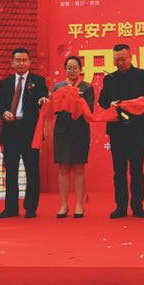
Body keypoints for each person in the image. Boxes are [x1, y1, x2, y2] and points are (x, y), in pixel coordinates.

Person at [98, 43, 144, 218]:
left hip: (137, 129)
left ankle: (137, 206)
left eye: (123, 59)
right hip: (117, 130)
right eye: (117, 60)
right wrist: (110, 104)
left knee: (137, 170)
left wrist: (136, 103)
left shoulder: (142, 75)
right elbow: (102, 101)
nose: (120, 63)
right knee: (119, 171)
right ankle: (120, 206)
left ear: (131, 57)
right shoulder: (109, 78)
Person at [0, 48, 48, 219]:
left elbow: (43, 100)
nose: (21, 63)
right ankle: (10, 208)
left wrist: (42, 101)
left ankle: (30, 207)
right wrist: (4, 112)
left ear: (29, 62)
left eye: (24, 60)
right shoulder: (5, 83)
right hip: (10, 130)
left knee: (32, 171)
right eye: (18, 60)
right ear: (12, 63)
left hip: (30, 132)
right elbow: (0, 104)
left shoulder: (38, 81)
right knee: (11, 172)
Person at [52, 55, 95, 218]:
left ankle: (79, 204)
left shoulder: (87, 87)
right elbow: (54, 108)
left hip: (80, 131)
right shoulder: (58, 86)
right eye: (69, 68)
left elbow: (89, 110)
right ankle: (63, 204)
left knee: (78, 168)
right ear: (65, 70)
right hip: (62, 131)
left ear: (80, 69)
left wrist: (74, 99)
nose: (72, 71)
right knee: (63, 168)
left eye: (75, 68)